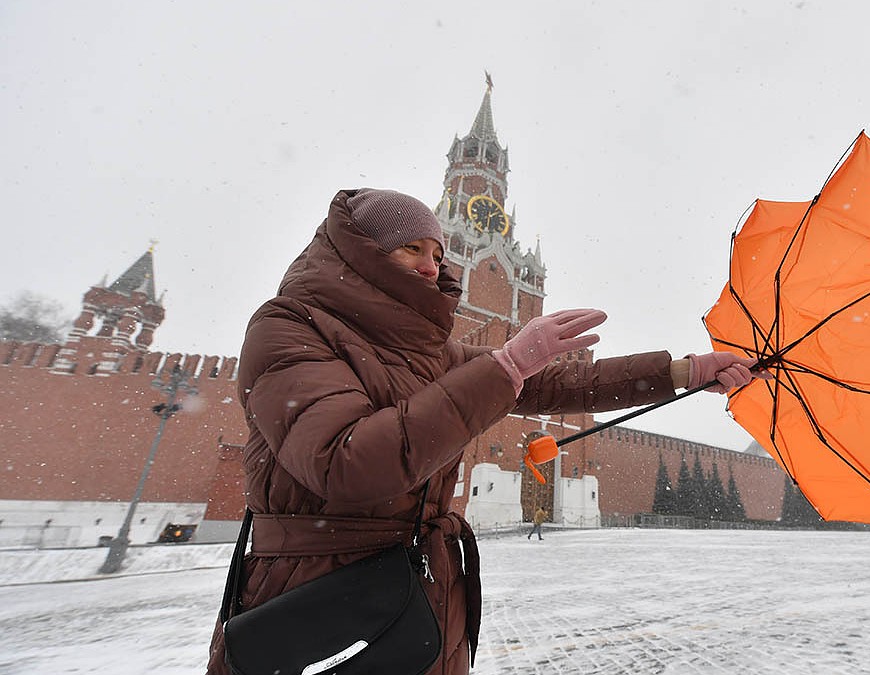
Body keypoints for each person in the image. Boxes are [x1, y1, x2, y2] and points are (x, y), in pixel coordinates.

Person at [204, 189, 769, 675]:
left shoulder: (430, 348)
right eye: (411, 248)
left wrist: (683, 371)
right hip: (320, 589)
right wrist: (502, 368)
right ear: (363, 255)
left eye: (438, 252)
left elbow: (555, 386)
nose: (432, 267)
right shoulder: (291, 325)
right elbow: (346, 465)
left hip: (421, 585)